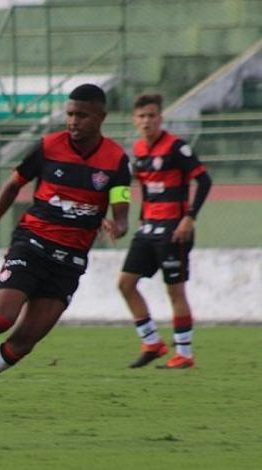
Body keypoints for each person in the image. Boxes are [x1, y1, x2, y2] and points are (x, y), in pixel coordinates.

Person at [0, 84, 131, 410]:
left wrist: (117, 227)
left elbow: (122, 210)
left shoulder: (117, 162)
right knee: (2, 318)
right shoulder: (49, 147)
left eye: (82, 115)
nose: (73, 121)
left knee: (24, 343)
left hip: (69, 263)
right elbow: (12, 185)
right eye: (69, 114)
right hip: (32, 246)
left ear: (101, 117)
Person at [119, 94, 211, 369]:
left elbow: (204, 181)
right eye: (142, 116)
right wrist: (139, 217)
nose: (146, 121)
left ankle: (184, 353)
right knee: (125, 283)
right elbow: (144, 188)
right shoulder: (138, 149)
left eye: (151, 116)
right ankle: (152, 343)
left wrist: (189, 219)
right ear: (135, 120)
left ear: (160, 118)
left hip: (174, 229)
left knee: (175, 291)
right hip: (148, 228)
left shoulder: (176, 148)